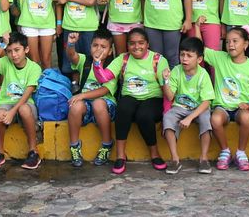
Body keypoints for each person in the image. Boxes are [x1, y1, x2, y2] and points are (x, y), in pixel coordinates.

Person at [196, 26, 249, 171]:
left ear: (245, 44)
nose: (230, 45)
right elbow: (199, 48)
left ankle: (241, 152)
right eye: (227, 42)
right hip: (222, 107)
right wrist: (196, 27)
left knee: (246, 118)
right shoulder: (220, 58)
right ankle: (225, 151)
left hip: (241, 108)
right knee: (215, 119)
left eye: (235, 41)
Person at [108, 28, 170, 175]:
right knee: (123, 108)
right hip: (130, 97)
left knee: (144, 115)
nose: (137, 47)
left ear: (147, 44)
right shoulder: (123, 59)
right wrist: (97, 64)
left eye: (141, 43)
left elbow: (167, 90)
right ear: (127, 45)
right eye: (132, 43)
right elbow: (106, 76)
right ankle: (120, 155)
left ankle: (154, 154)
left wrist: (167, 115)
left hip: (153, 98)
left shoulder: (159, 60)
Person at [0, 32, 42, 171]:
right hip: (7, 102)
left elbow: (27, 93)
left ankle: (33, 151)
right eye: (10, 51)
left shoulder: (34, 67)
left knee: (23, 109)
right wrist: (2, 45)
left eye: (17, 50)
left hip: (25, 104)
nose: (14, 55)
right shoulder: (6, 62)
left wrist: (13, 111)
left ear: (26, 50)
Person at [161, 37, 215, 174]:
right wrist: (166, 81)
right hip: (180, 107)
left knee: (205, 120)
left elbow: (206, 102)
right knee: (168, 118)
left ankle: (204, 158)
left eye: (189, 56)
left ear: (199, 59)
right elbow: (170, 96)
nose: (184, 59)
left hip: (199, 108)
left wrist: (190, 118)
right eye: (182, 55)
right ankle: (175, 160)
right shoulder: (176, 71)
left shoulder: (203, 75)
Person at [64, 29, 117, 167]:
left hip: (106, 106)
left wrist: (82, 95)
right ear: (90, 46)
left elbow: (104, 90)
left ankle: (107, 144)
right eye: (95, 45)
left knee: (98, 103)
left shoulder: (112, 66)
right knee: (75, 106)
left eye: (103, 47)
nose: (98, 49)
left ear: (110, 51)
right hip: (86, 106)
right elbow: (72, 56)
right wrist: (71, 44)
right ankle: (74, 146)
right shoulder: (85, 61)